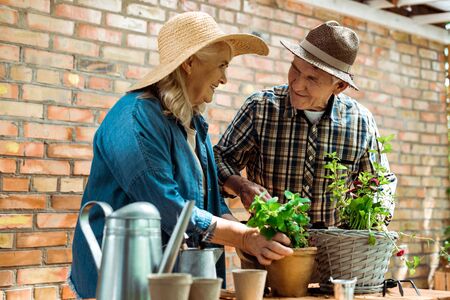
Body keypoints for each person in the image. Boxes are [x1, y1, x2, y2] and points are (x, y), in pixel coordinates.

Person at [69, 11, 293, 299]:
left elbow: (209, 202)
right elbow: (168, 207)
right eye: (222, 65)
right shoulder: (136, 119)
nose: (225, 78)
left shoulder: (193, 122)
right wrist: (244, 237)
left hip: (171, 280)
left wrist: (247, 234)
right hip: (120, 281)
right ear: (189, 63)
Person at [214, 21, 397, 229]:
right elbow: (219, 159)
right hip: (267, 247)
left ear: (339, 86)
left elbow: (380, 183)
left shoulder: (360, 122)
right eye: (295, 68)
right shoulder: (260, 108)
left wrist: (374, 217)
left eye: (312, 78)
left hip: (336, 254)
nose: (297, 84)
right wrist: (241, 185)